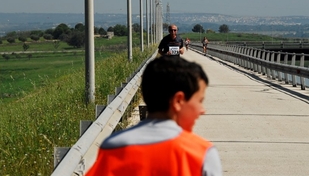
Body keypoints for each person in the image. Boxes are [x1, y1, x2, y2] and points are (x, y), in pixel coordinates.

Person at [85, 56, 223, 176]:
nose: (202, 110)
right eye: (200, 101)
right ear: (178, 101)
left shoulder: (113, 147)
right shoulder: (201, 153)